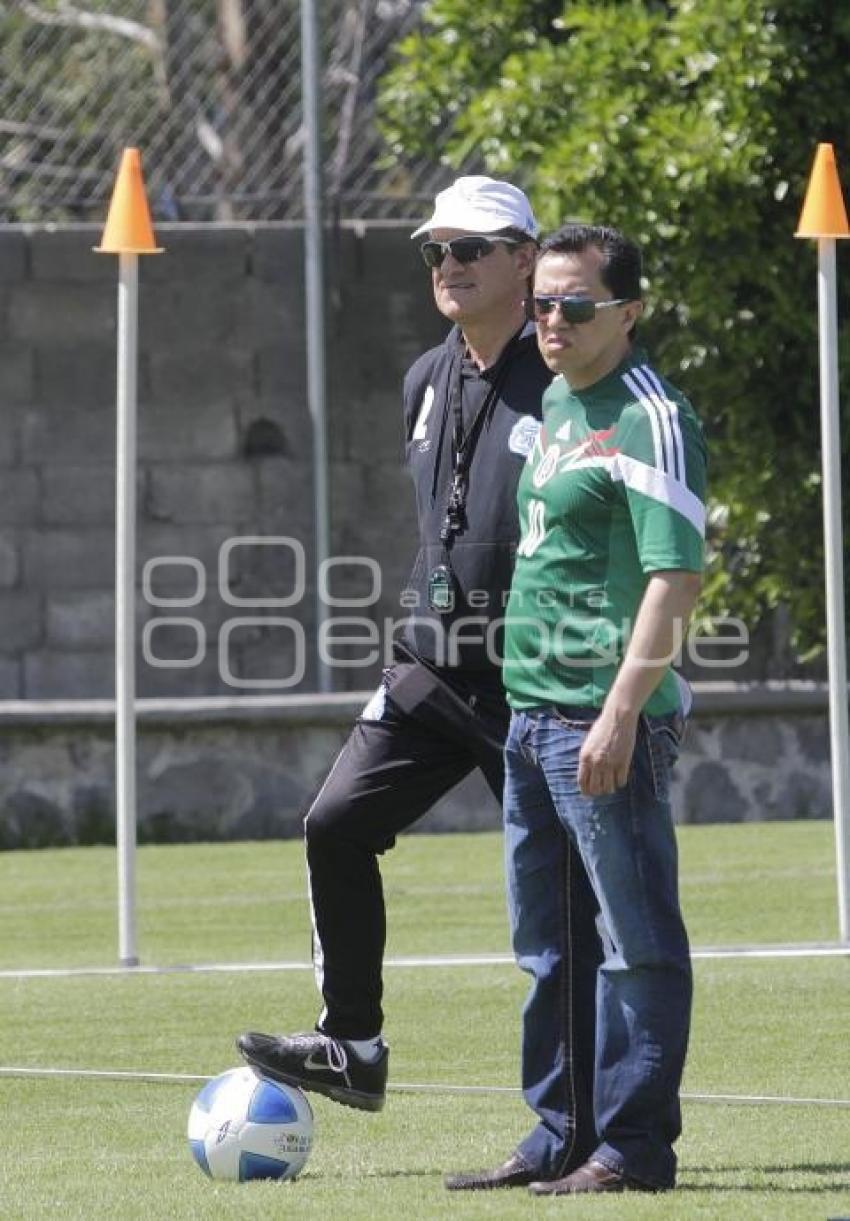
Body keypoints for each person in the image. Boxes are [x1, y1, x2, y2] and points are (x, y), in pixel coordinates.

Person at [237, 177, 552, 1112]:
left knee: (568, 896)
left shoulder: (567, 372)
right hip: (428, 663)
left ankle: (593, 1111)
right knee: (335, 825)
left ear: (525, 259)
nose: (448, 266)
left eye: (471, 250)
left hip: (533, 677)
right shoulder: (424, 376)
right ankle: (351, 1046)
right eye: (436, 252)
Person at [446, 222, 706, 1194]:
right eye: (543, 302)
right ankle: (560, 1134)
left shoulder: (651, 416)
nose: (551, 320)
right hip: (528, 719)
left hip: (601, 727)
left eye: (575, 305)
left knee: (636, 946)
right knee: (549, 947)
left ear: (627, 312)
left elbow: (672, 581)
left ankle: (633, 1152)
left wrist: (620, 712)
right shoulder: (556, 398)